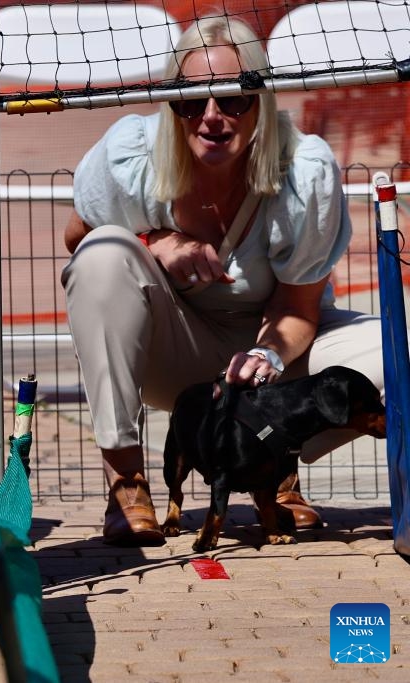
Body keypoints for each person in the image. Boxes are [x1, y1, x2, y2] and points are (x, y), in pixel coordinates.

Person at [61, 16, 384, 547]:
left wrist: (270, 358)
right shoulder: (133, 155)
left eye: (233, 99)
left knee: (398, 345)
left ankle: (273, 471)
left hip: (276, 358)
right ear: (171, 104)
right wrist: (157, 242)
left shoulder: (304, 171)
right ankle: (127, 482)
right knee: (102, 254)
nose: (211, 117)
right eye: (192, 100)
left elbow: (299, 310)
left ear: (262, 101)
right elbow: (77, 237)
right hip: (177, 353)